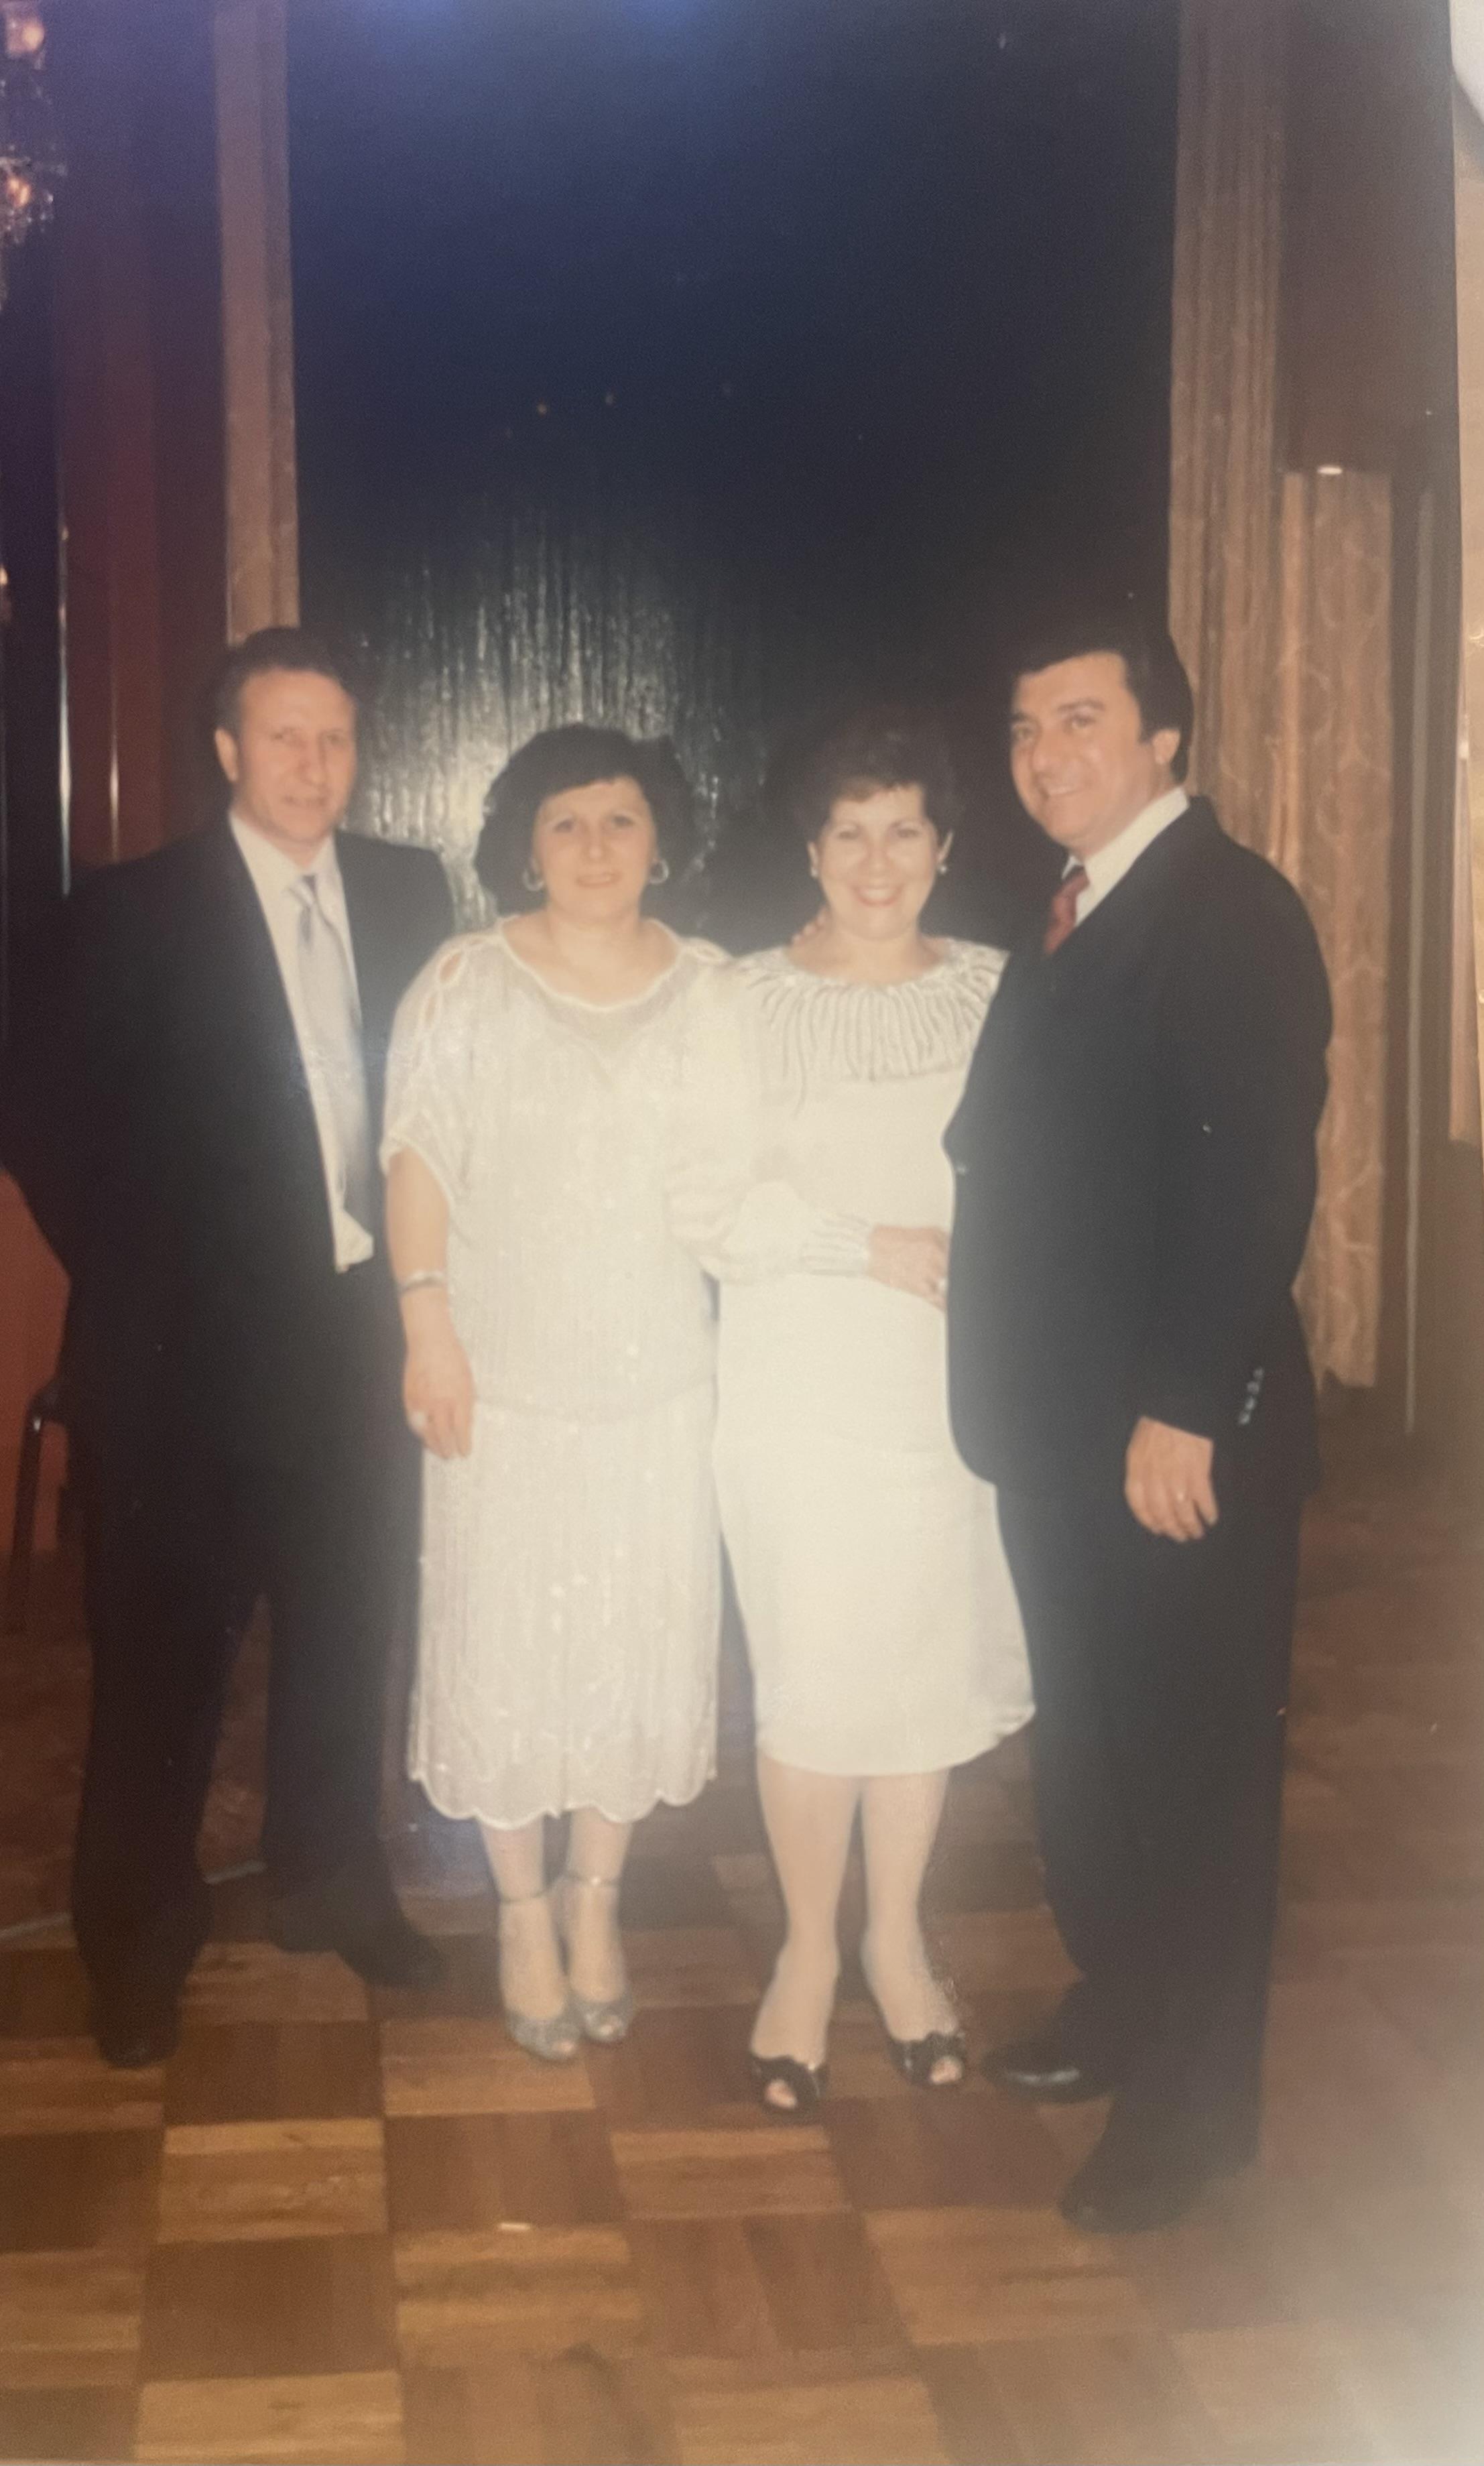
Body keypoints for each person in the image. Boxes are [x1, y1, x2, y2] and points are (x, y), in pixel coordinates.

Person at [0, 628, 455, 2067]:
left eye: (334, 737)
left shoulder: (410, 890)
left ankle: (331, 1882)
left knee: (345, 1636)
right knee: (160, 1674)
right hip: (177, 1362)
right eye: (282, 737)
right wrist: (145, 1276)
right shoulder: (129, 909)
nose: (312, 765)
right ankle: (136, 1944)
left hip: (354, 1346)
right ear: (226, 752)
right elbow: (42, 1114)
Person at [945, 607, 1331, 2231]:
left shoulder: (1231, 911)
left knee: (1194, 1768)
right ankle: (1121, 2001)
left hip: (1173, 1441)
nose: (1046, 754)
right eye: (1026, 726)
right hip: (1055, 1428)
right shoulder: (1070, 905)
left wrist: (1185, 1406)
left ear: (1166, 736)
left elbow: (1255, 1188)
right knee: (1096, 1754)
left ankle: (1194, 2109)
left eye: (1082, 719)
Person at [672, 711, 1032, 2114]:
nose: (876, 861)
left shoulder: (1002, 990)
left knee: (921, 1672)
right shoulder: (741, 1000)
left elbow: (1044, 1177)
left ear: (943, 847)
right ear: (810, 851)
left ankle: (896, 1938)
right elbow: (707, 1202)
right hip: (800, 1388)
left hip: (950, 1389)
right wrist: (866, 1245)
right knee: (817, 1679)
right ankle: (810, 1950)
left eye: (903, 831)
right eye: (848, 834)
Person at [383, 724, 725, 2062]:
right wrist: (426, 1326)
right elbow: (418, 1158)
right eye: (565, 822)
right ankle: (520, 1912)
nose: (594, 845)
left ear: (660, 842)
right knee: (508, 1648)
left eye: (620, 819)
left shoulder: (712, 989)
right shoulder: (464, 981)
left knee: (630, 1647)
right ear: (524, 847)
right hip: (501, 1385)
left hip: (660, 1386)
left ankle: (596, 1901)